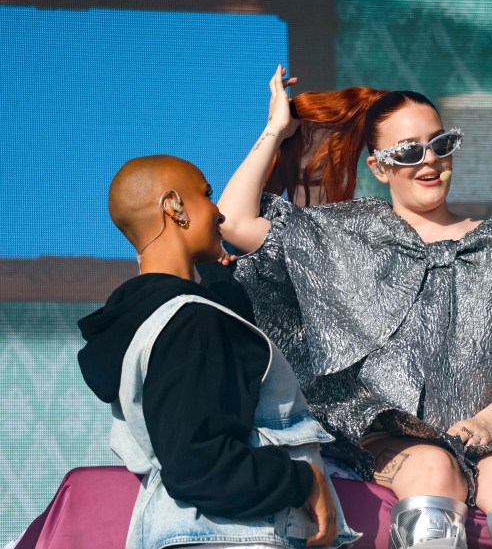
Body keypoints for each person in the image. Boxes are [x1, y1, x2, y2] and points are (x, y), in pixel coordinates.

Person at [217, 65, 492, 549]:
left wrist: (489, 422)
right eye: (407, 151)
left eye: (440, 143)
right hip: (389, 436)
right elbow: (234, 221)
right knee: (431, 465)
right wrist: (275, 128)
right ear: (379, 166)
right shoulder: (340, 236)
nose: (428, 161)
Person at [77, 155, 360, 549]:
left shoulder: (150, 321)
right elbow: (199, 462)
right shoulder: (190, 323)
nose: (218, 212)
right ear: (173, 206)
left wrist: (215, 281)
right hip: (231, 538)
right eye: (207, 195)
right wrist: (302, 480)